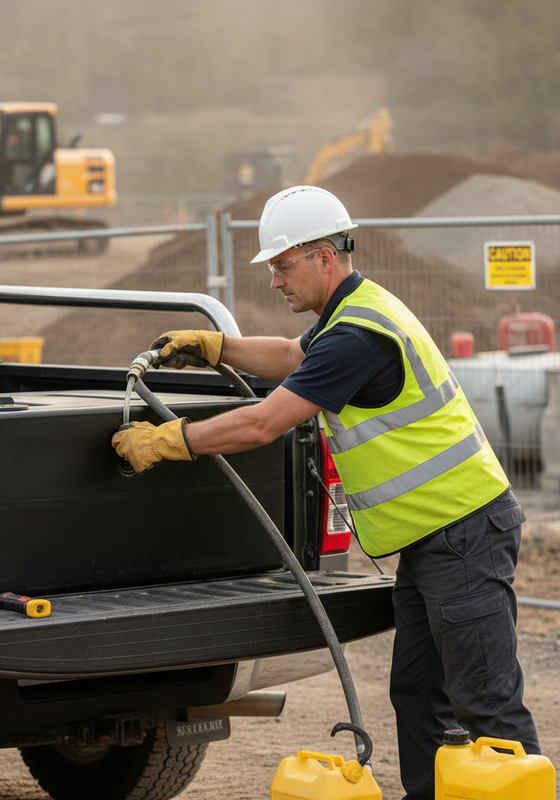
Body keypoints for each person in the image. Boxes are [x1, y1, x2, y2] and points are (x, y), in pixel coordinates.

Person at [111, 185, 541, 800]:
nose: (275, 280)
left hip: (463, 535)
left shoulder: (355, 337)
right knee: (421, 696)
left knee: (487, 708)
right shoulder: (352, 313)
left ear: (324, 257)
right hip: (438, 538)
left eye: (283, 265)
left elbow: (264, 422)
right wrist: (216, 347)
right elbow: (291, 355)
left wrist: (170, 441)